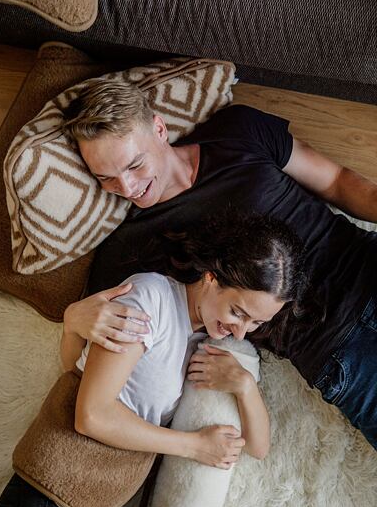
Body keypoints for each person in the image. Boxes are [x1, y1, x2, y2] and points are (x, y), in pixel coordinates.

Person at [61, 78, 377, 449]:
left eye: (135, 165)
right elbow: (85, 371)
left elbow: (337, 181)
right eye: (106, 178)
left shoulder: (237, 130)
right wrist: (73, 319)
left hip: (365, 264)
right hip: (335, 347)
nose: (128, 188)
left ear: (159, 129)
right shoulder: (130, 249)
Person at [0, 210, 306, 507]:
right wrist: (195, 446)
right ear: (211, 277)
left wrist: (244, 386)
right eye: (238, 313)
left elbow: (258, 447)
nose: (241, 331)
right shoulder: (149, 299)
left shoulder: (206, 343)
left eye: (256, 323)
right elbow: (92, 414)